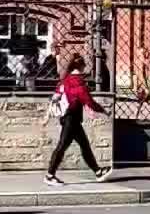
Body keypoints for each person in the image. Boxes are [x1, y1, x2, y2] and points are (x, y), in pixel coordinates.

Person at [45, 53, 110, 185]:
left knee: (84, 145)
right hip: (71, 118)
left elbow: (56, 96)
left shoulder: (65, 79)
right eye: (84, 65)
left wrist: (47, 115)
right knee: (62, 146)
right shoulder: (78, 83)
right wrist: (104, 110)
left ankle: (98, 172)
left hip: (67, 117)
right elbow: (89, 101)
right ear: (81, 66)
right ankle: (50, 175)